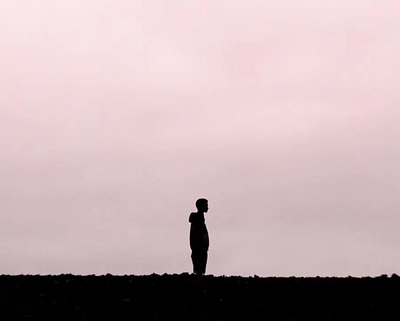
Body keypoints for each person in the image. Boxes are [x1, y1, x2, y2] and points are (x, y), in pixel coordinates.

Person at [189, 198, 210, 275]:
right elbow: (194, 233)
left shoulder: (200, 218)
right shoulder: (197, 218)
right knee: (199, 267)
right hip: (199, 247)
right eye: (206, 205)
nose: (207, 207)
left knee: (201, 267)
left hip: (202, 247)